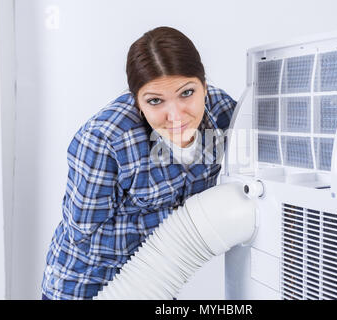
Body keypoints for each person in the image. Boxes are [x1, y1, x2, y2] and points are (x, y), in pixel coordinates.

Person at [41, 26, 237, 300]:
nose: (176, 115)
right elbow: (84, 235)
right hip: (89, 284)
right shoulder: (106, 139)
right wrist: (184, 224)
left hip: (157, 281)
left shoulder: (223, 114)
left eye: (187, 93)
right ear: (137, 102)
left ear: (205, 85)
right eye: (155, 101)